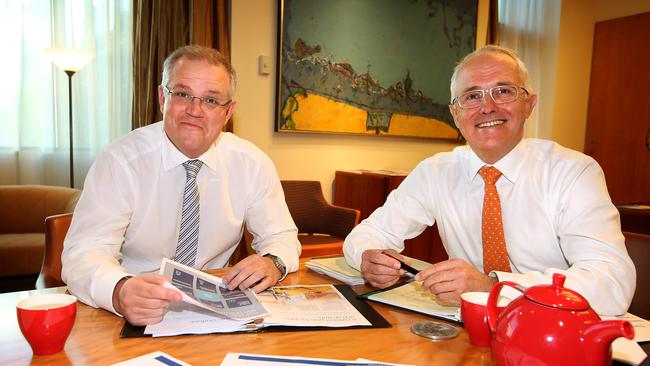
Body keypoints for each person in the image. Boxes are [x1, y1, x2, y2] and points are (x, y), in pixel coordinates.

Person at [343, 45, 635, 316]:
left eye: (503, 91)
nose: (487, 107)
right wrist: (368, 257)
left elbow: (612, 282)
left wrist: (493, 287)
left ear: (529, 104)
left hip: (553, 330)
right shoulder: (435, 172)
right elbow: (367, 233)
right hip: (467, 331)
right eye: (472, 96)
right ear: (456, 115)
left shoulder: (573, 172)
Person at [62, 45, 301, 326]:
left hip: (217, 310)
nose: (194, 110)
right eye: (183, 94)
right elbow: (84, 252)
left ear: (228, 113)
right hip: (137, 306)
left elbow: (282, 236)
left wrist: (274, 262)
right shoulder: (121, 161)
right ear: (163, 98)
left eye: (211, 101)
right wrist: (119, 290)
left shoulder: (252, 163)